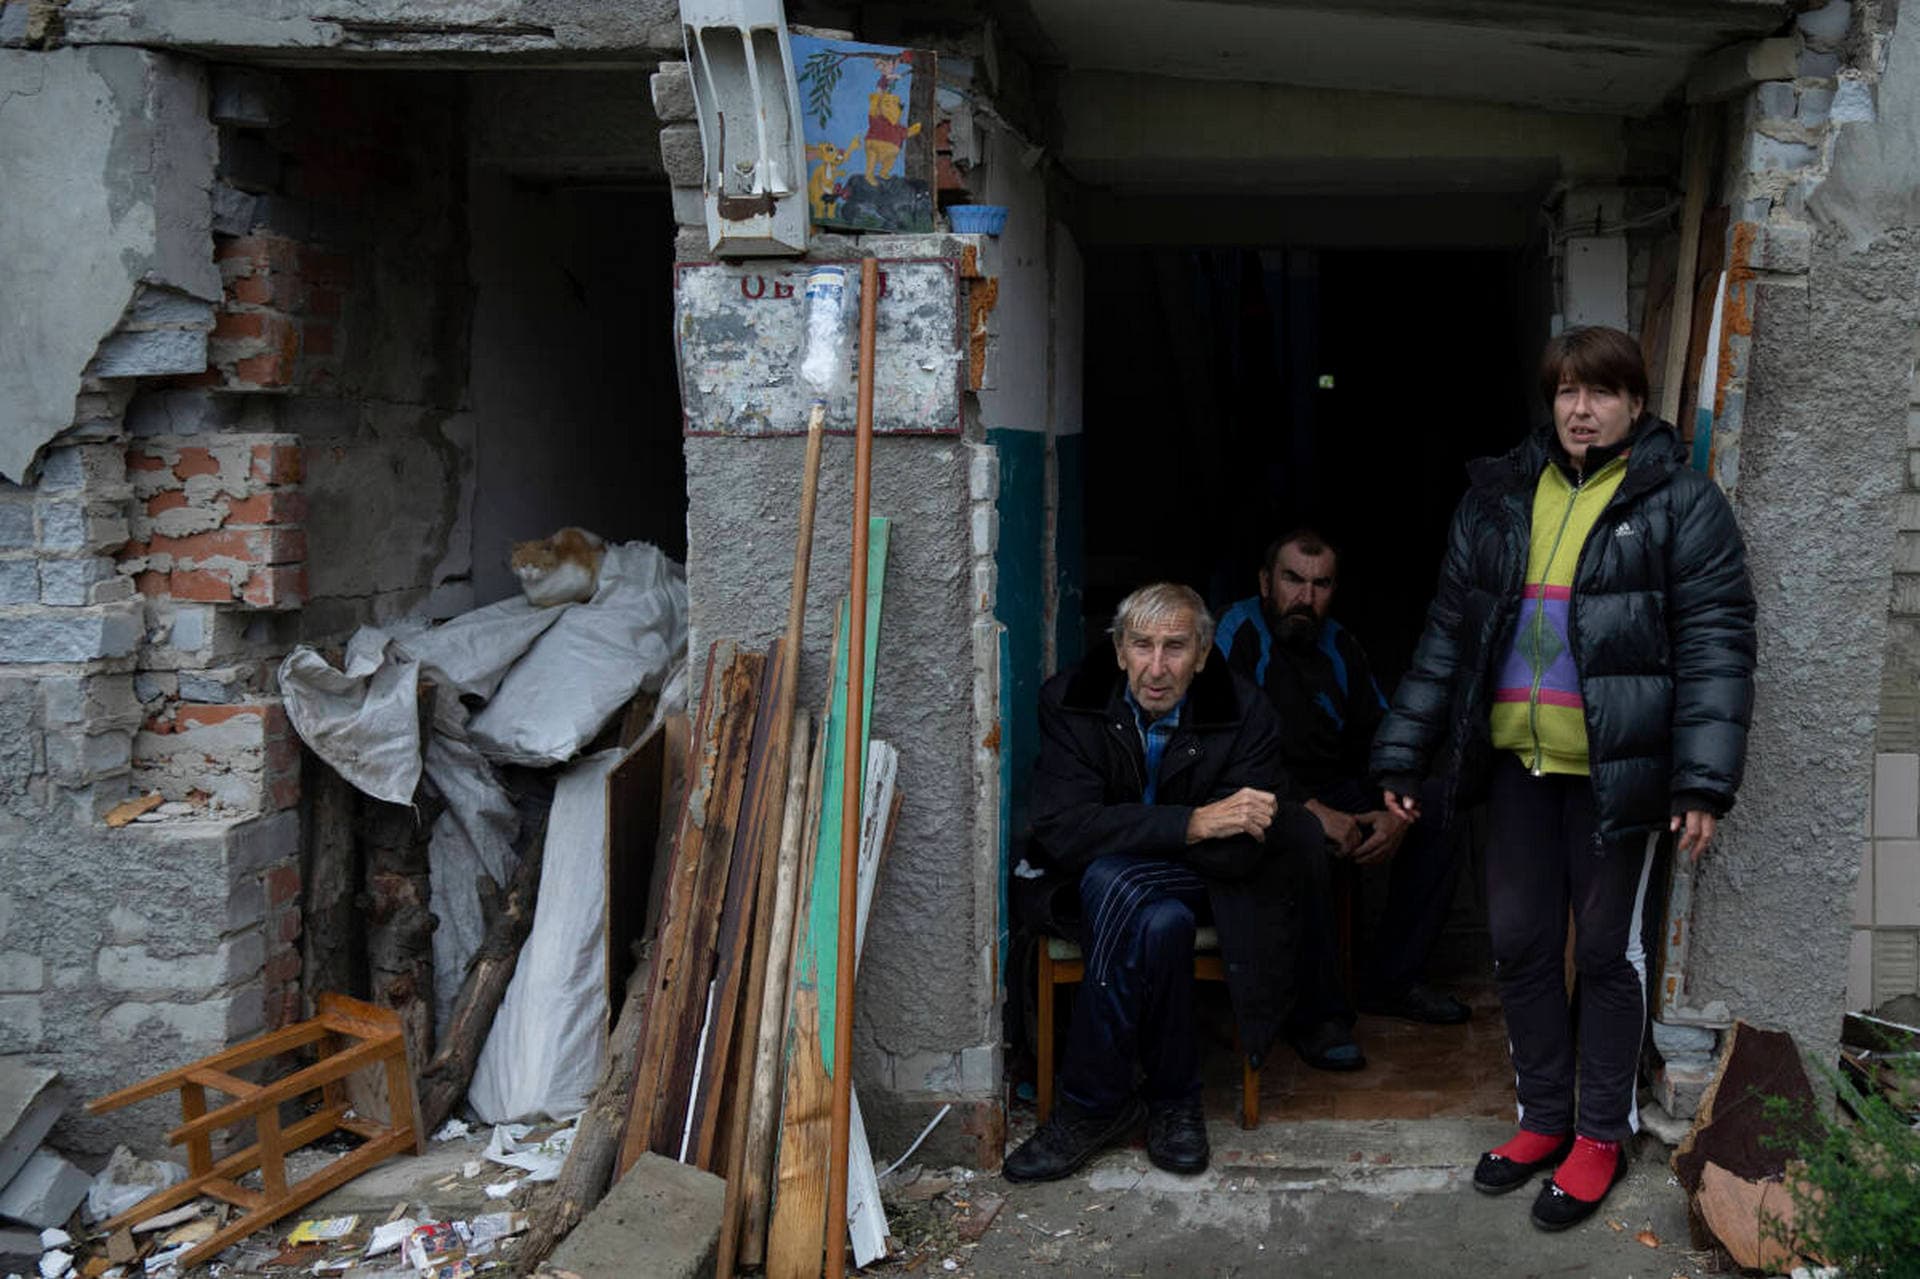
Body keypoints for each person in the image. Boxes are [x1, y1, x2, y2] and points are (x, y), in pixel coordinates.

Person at [1370, 326, 1756, 1230]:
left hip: (1617, 773)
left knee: (1603, 954)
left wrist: (1701, 782)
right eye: (1567, 393)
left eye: (1602, 393)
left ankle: (1598, 1132)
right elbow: (1445, 636)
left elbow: (1717, 648)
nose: (1582, 410)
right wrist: (1402, 749)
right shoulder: (1500, 498)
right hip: (1517, 763)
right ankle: (1543, 1118)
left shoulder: (1678, 501)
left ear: (1635, 401)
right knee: (1519, 943)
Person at [1005, 582, 1321, 1183]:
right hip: (1094, 886)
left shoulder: (1245, 710)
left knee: (1117, 881)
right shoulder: (1071, 700)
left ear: (1202, 655)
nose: (1156, 668)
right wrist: (1195, 822)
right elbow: (1064, 829)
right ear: (1119, 649)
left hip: (1221, 885)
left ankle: (1092, 1105)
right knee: (1158, 921)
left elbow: (1241, 848)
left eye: (1175, 648)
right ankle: (1175, 1101)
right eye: (1141, 646)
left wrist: (1135, 837)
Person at [1216, 530, 1470, 1075]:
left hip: (1333, 787)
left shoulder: (1340, 645)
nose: (1305, 598)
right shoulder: (1234, 636)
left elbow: (1380, 739)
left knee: (1438, 807)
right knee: (1304, 838)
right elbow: (1224, 751)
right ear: (1266, 582)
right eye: (1292, 581)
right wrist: (1308, 808)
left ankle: (1393, 980)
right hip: (1255, 791)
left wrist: (1394, 809)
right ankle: (1318, 1017)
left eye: (1320, 584)